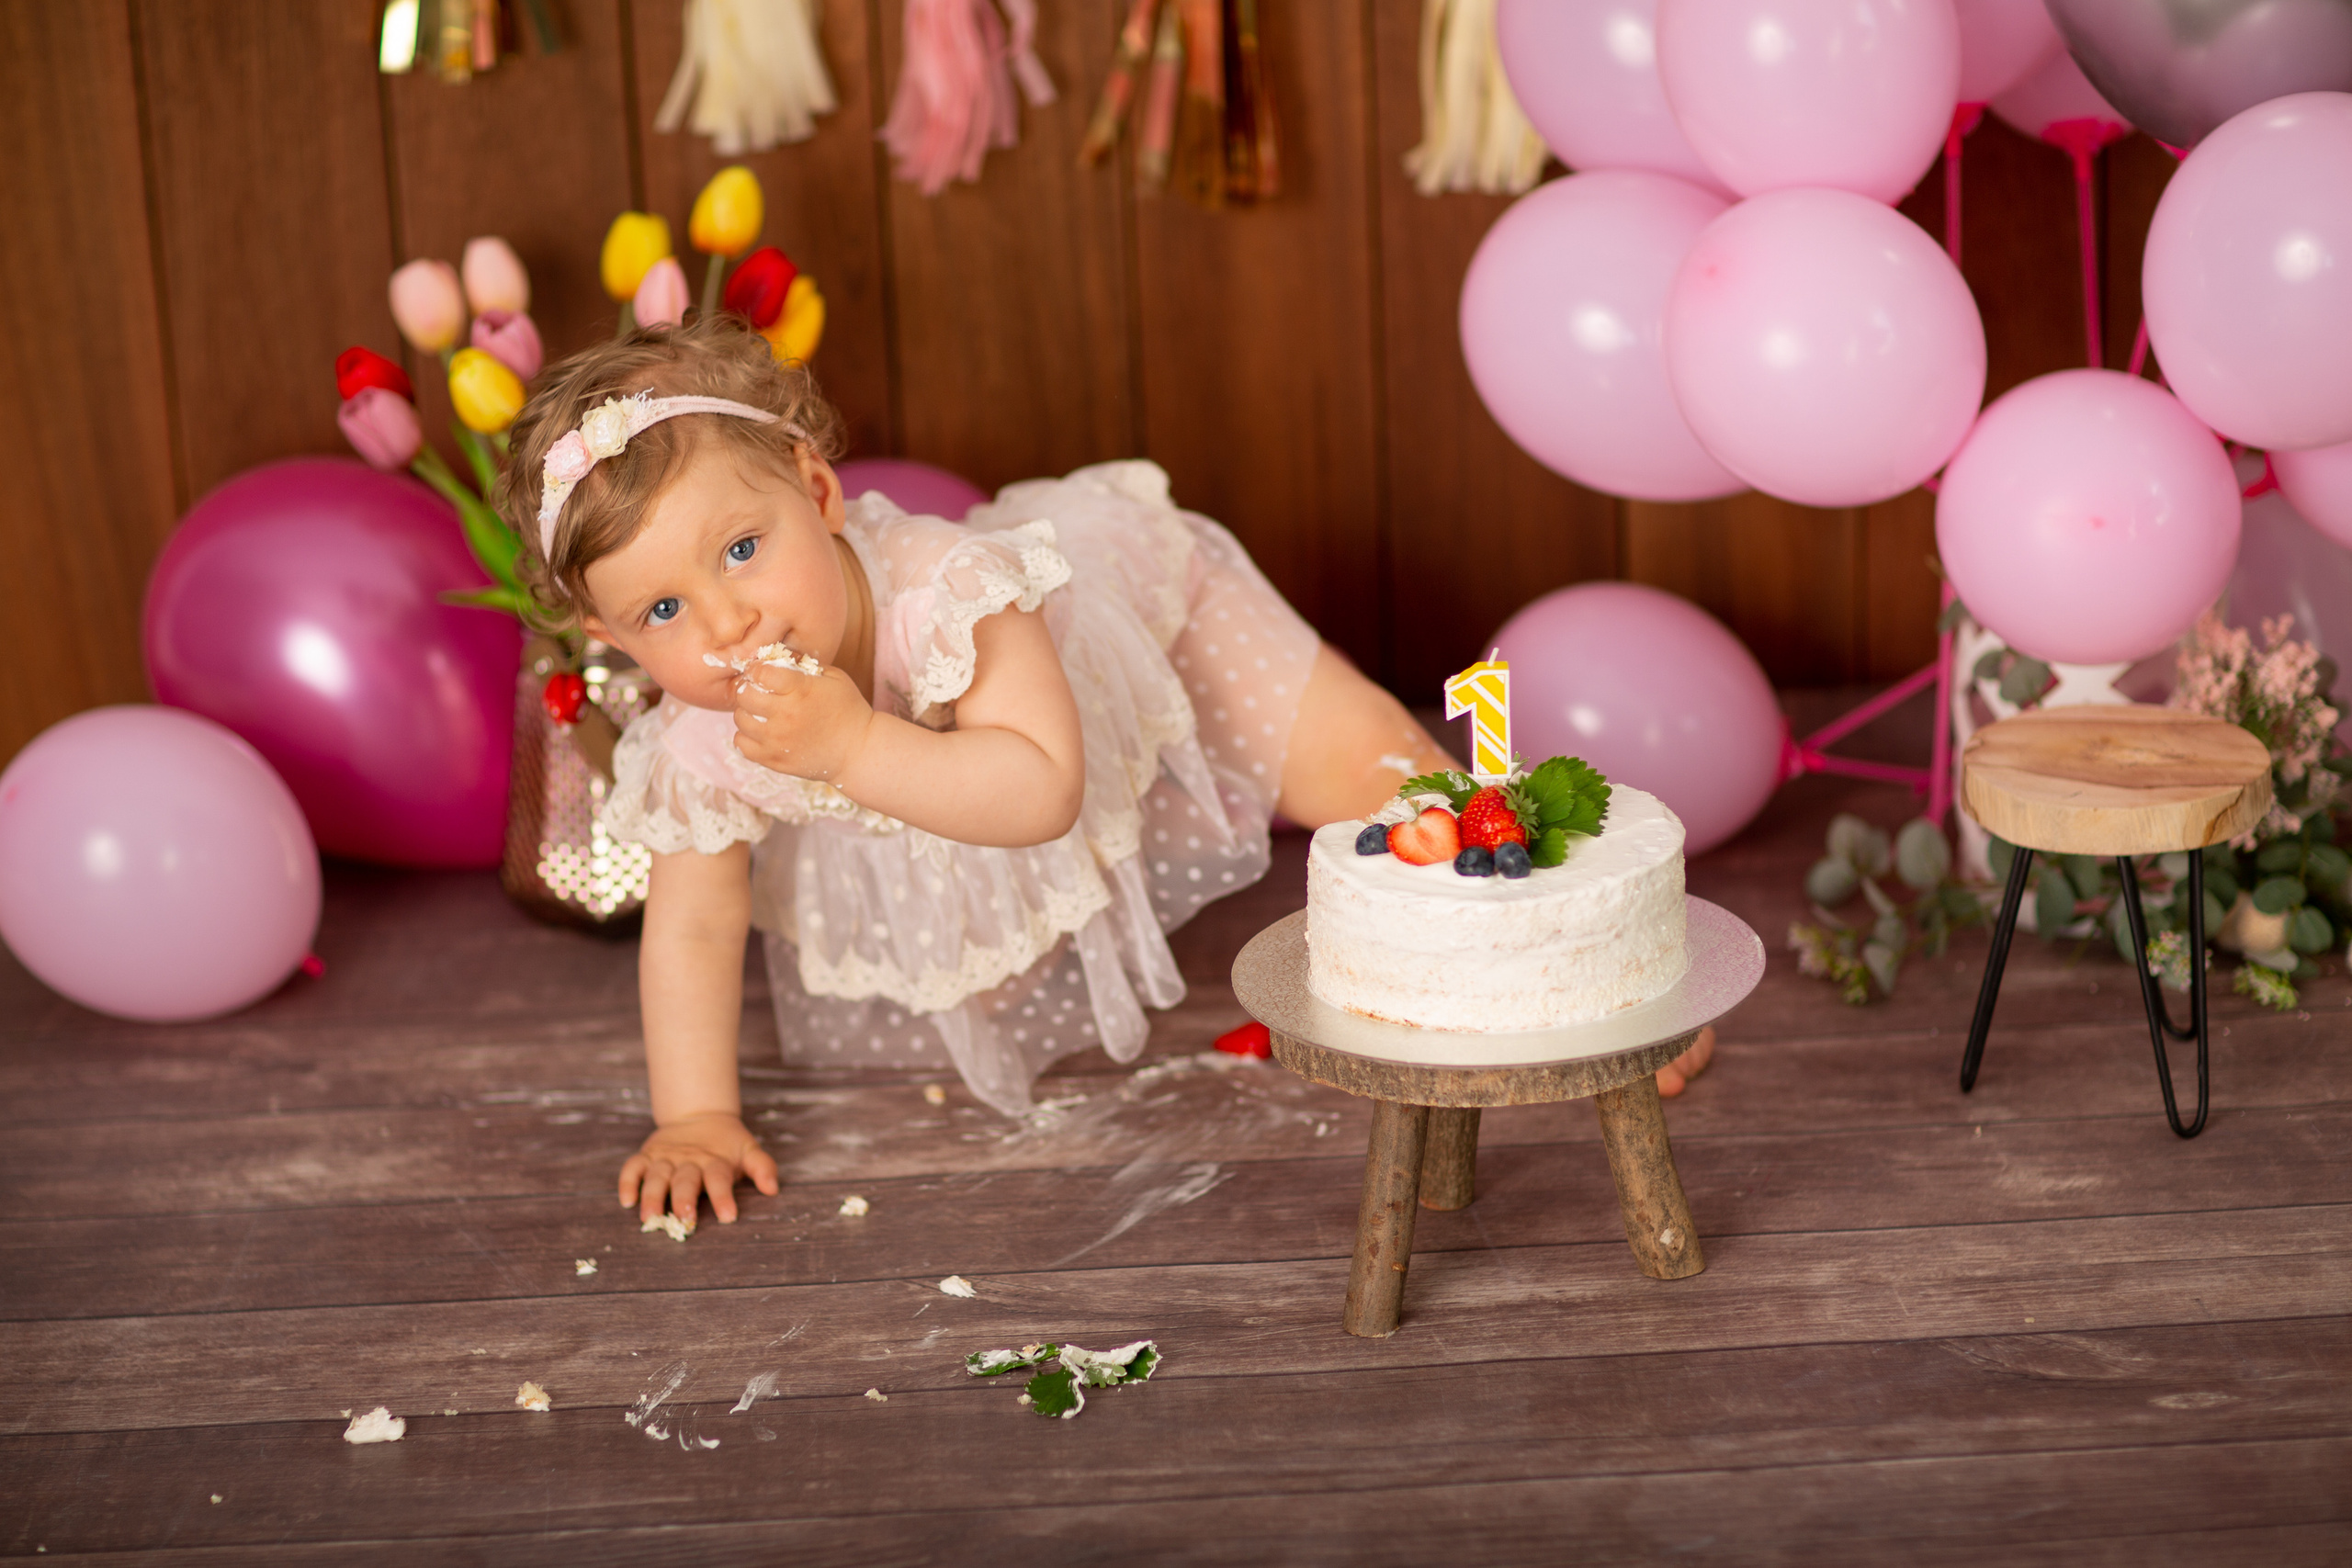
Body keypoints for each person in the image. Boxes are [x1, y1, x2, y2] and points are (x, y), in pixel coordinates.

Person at [497, 318, 1460, 1231]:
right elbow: (695, 924)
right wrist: (695, 1116)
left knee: (1378, 785)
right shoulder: (700, 738)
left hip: (1148, 624)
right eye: (662, 611)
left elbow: (1041, 790)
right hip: (972, 778)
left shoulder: (951, 591)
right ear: (608, 637)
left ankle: (1516, 889)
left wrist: (851, 749)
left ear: (818, 493)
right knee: (996, 972)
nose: (726, 624)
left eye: (743, 550)